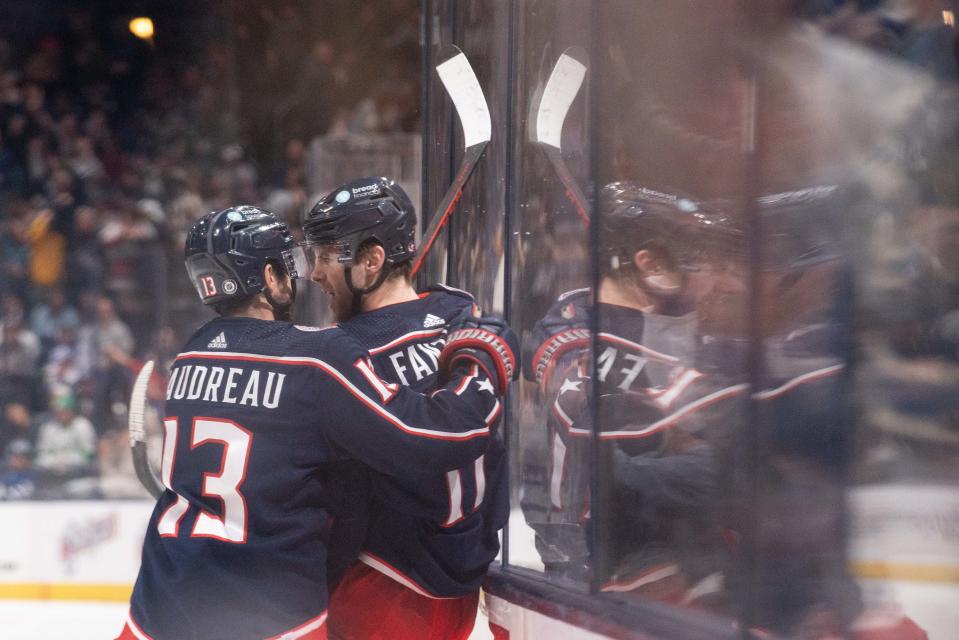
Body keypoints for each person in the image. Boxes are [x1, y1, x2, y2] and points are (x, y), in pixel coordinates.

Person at [115, 205, 518, 640]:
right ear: (269, 276)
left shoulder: (189, 356)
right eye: (289, 266)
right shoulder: (316, 356)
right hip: (268, 612)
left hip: (160, 605)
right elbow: (437, 436)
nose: (303, 276)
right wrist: (482, 361)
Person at [303, 177, 508, 640]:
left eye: (323, 256)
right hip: (459, 586)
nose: (315, 273)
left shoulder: (344, 354)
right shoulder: (463, 314)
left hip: (380, 584)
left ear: (372, 259)